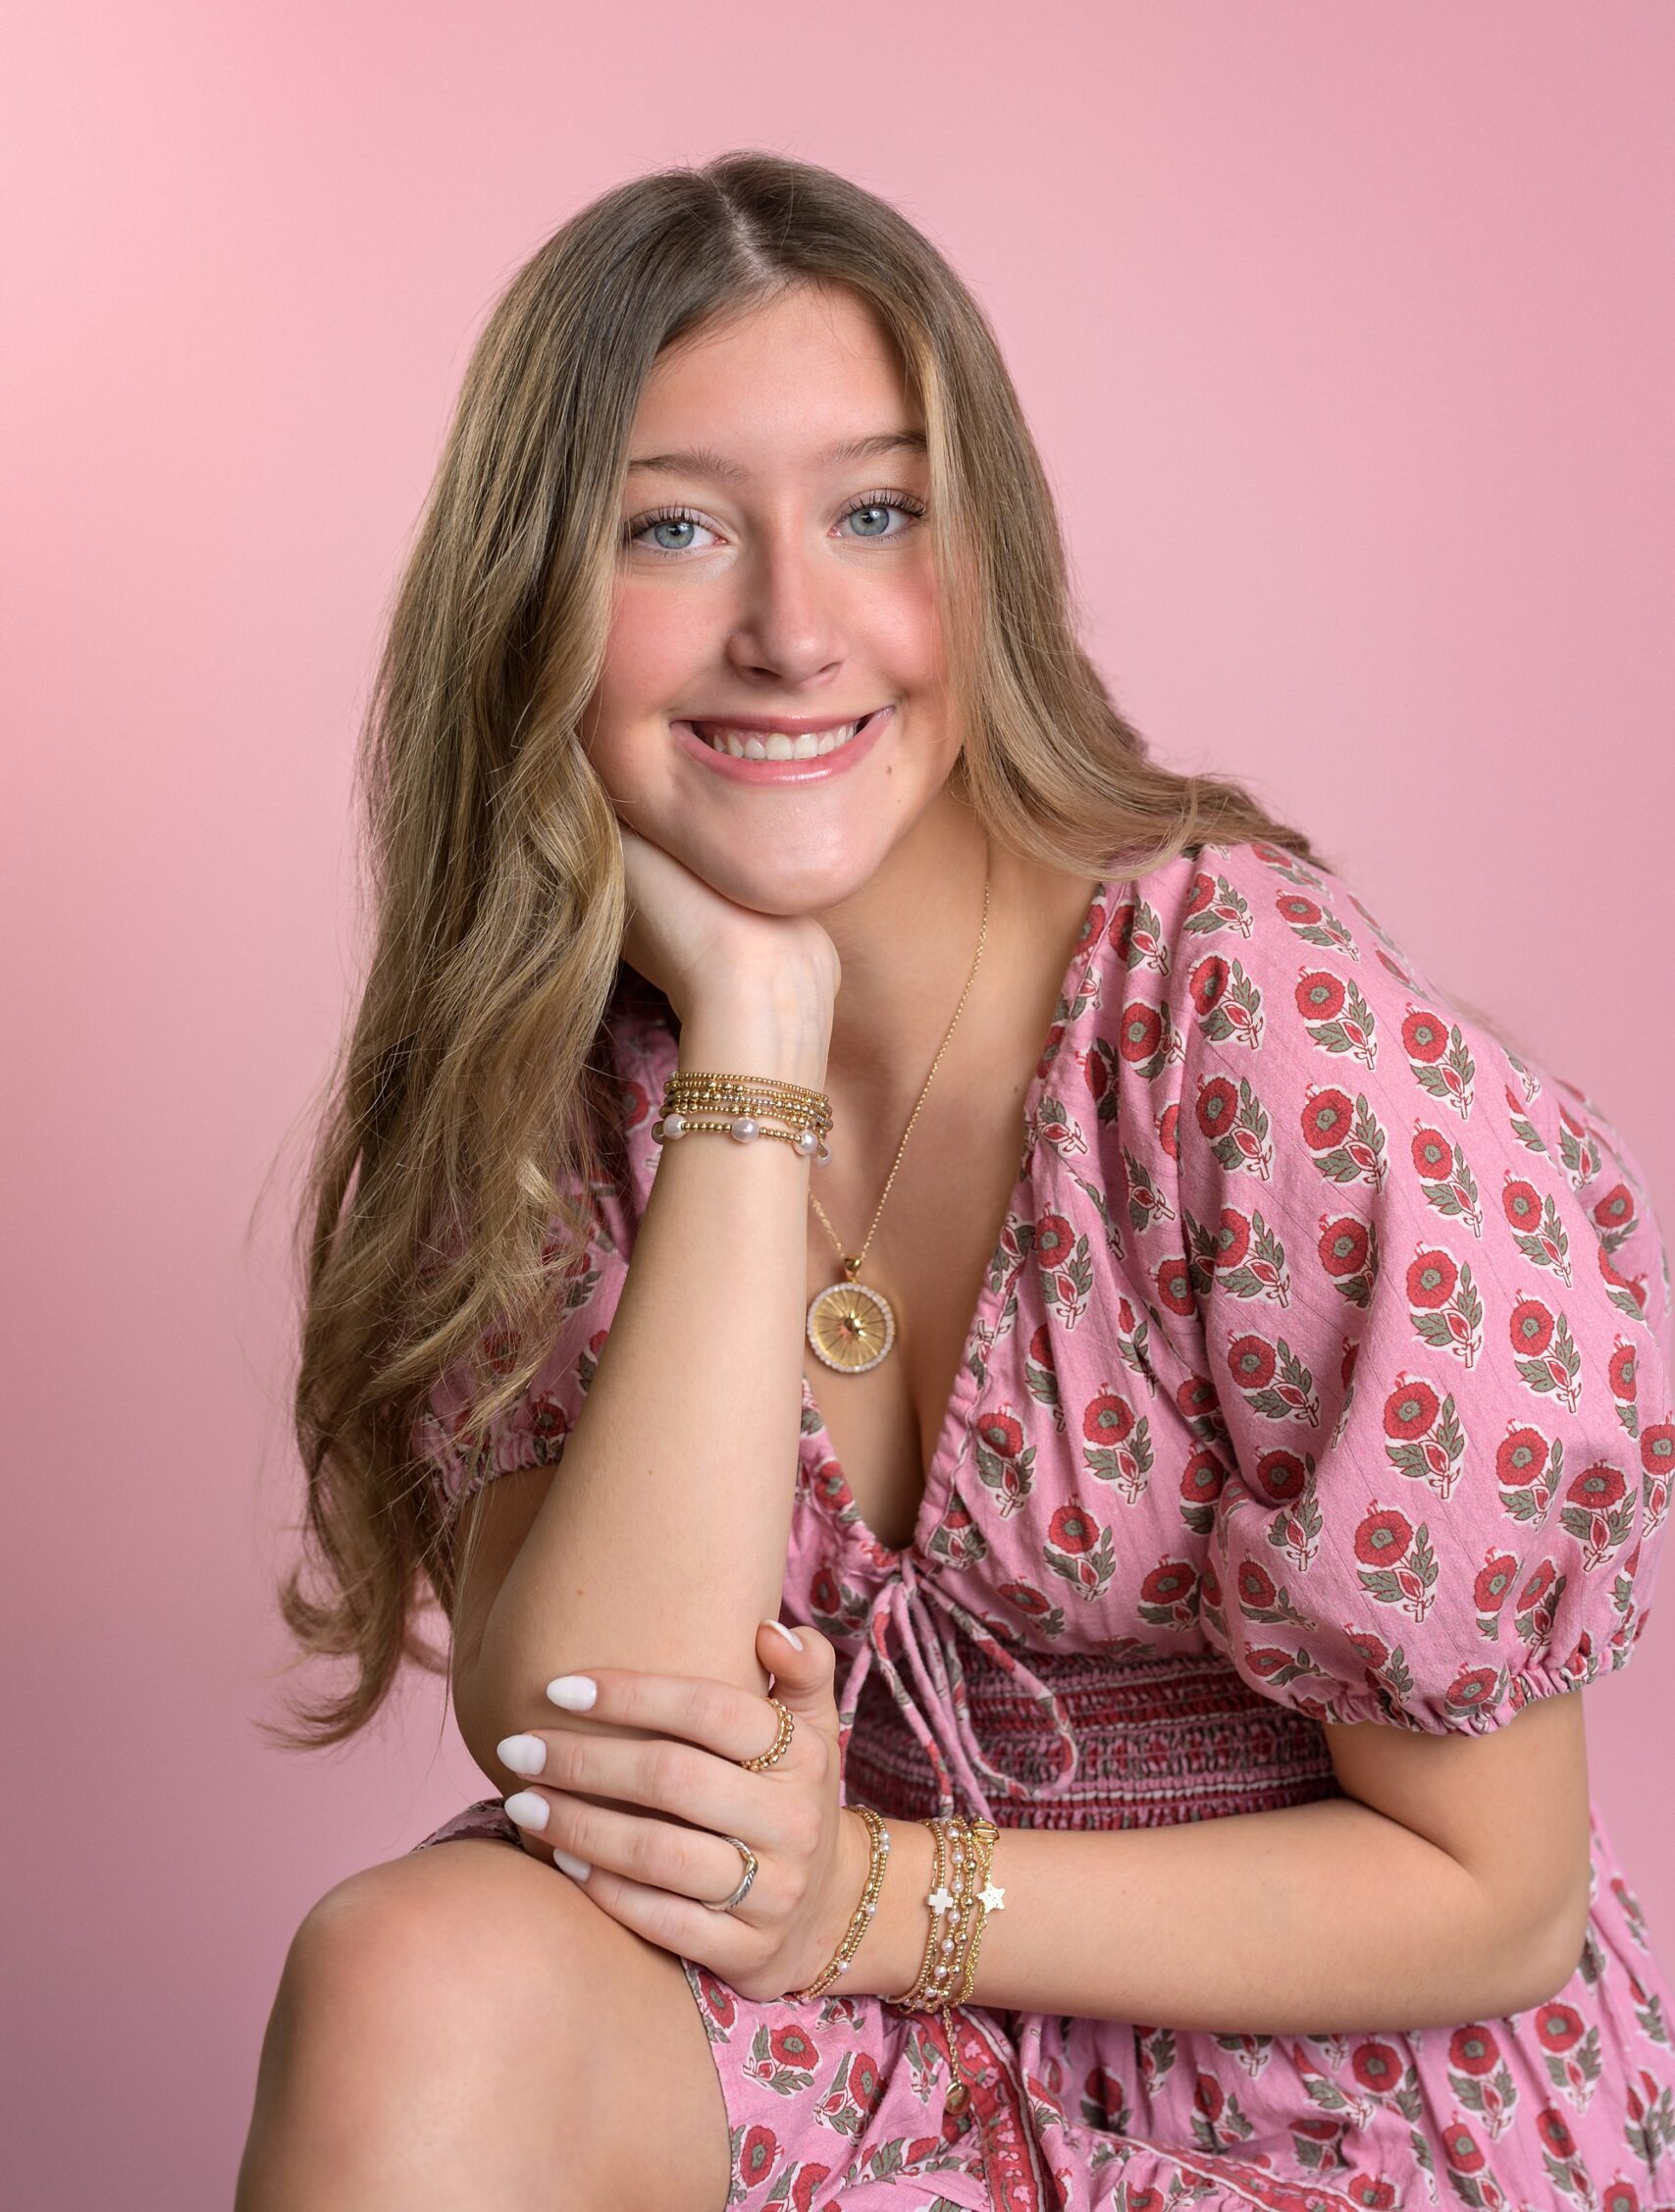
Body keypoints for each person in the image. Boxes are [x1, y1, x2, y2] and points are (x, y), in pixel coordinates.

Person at [236, 150, 1675, 2212]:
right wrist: (745, 1030)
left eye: (873, 513)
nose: (789, 628)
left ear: (979, 558)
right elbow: (595, 1748)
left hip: (1334, 2089)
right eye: (669, 527)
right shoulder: (556, 1081)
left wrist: (874, 1891)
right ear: (531, 592)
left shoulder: (1254, 1034)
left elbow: (1490, 1892)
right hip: (830, 2043)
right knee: (413, 1969)